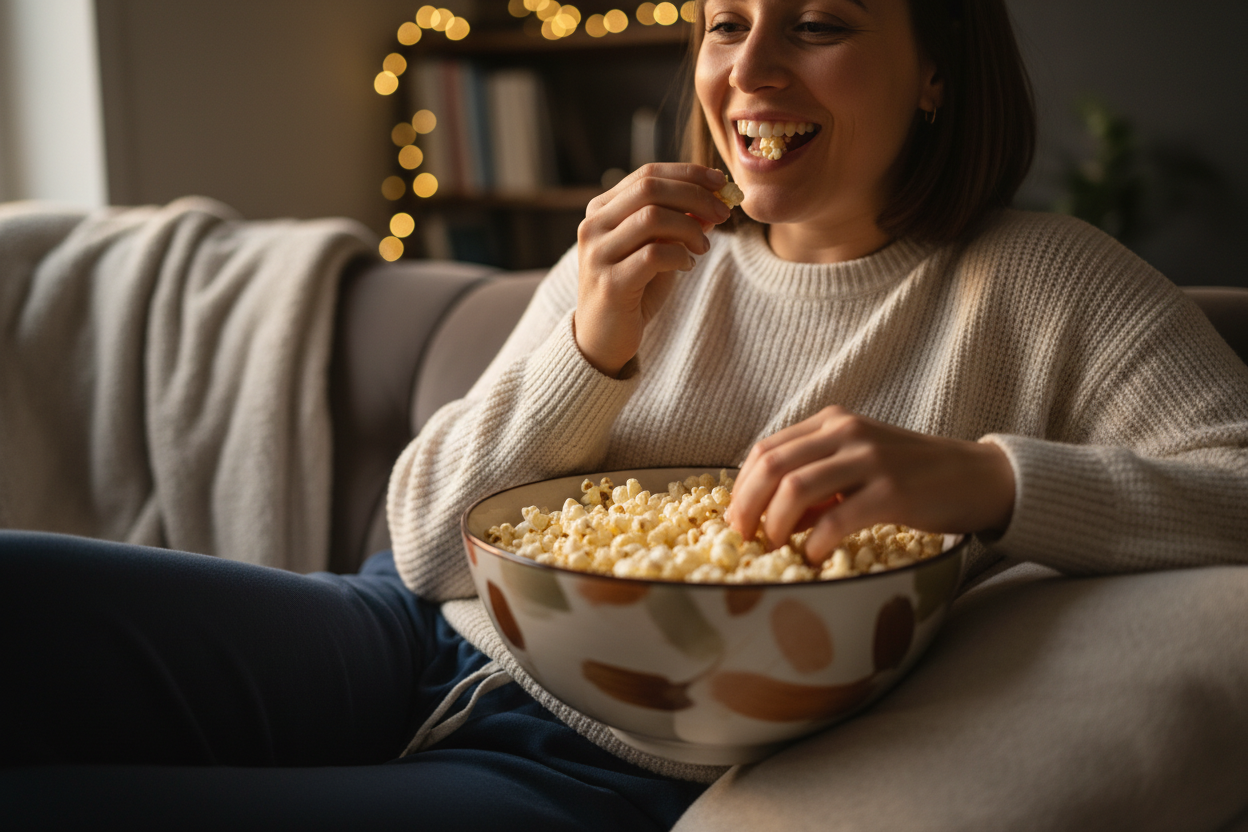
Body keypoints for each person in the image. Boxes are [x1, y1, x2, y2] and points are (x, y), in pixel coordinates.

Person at [3, 0, 1246, 829]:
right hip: (405, 632)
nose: (747, 72)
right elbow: (432, 542)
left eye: (815, 24)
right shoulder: (648, 242)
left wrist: (987, 481)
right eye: (723, 24)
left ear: (936, 68)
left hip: (601, 768)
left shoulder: (1042, 282)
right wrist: (595, 340)